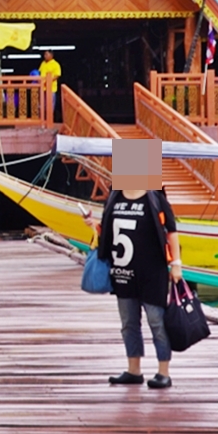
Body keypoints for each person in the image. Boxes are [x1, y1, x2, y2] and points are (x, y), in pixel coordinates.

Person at [92, 143, 183, 390]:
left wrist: (176, 264)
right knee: (128, 322)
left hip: (152, 272)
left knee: (156, 321)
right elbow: (107, 231)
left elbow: (171, 233)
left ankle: (163, 371)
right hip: (123, 272)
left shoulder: (156, 199)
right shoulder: (114, 197)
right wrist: (93, 226)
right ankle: (134, 369)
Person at [39, 49, 62, 121]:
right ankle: (42, 120)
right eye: (44, 54)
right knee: (42, 105)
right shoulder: (43, 63)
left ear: (51, 55)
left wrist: (48, 81)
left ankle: (49, 120)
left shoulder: (55, 64)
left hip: (51, 88)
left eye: (46, 54)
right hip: (42, 88)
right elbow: (39, 73)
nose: (45, 56)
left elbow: (57, 75)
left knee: (50, 105)